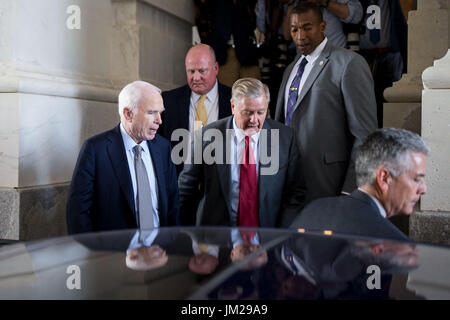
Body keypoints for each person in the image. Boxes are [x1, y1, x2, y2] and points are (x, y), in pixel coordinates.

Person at [274, 2, 377, 205]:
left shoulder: (349, 63)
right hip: (288, 186)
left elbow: (365, 134)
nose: (300, 36)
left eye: (307, 27)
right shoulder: (290, 70)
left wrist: (350, 190)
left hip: (329, 186)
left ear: (322, 26)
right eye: (294, 29)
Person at [179, 77, 305, 227]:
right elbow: (186, 189)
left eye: (261, 112)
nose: (254, 119)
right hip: (217, 239)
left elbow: (296, 193)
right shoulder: (206, 136)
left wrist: (281, 235)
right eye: (247, 112)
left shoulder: (286, 138)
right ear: (233, 106)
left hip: (268, 238)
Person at [66, 81, 180, 234]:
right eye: (152, 112)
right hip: (113, 253)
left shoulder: (163, 147)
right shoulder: (95, 150)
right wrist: (94, 255)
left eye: (160, 112)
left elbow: (173, 205)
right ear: (128, 114)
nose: (159, 120)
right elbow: (77, 213)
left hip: (160, 251)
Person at [290, 128, 429, 240]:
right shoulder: (390, 242)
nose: (424, 189)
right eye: (417, 179)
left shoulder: (314, 209)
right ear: (384, 178)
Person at [159, 44, 232, 176]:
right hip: (179, 184)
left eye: (202, 71)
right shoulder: (168, 101)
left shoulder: (235, 101)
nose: (196, 78)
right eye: (191, 71)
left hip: (222, 186)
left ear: (216, 68)